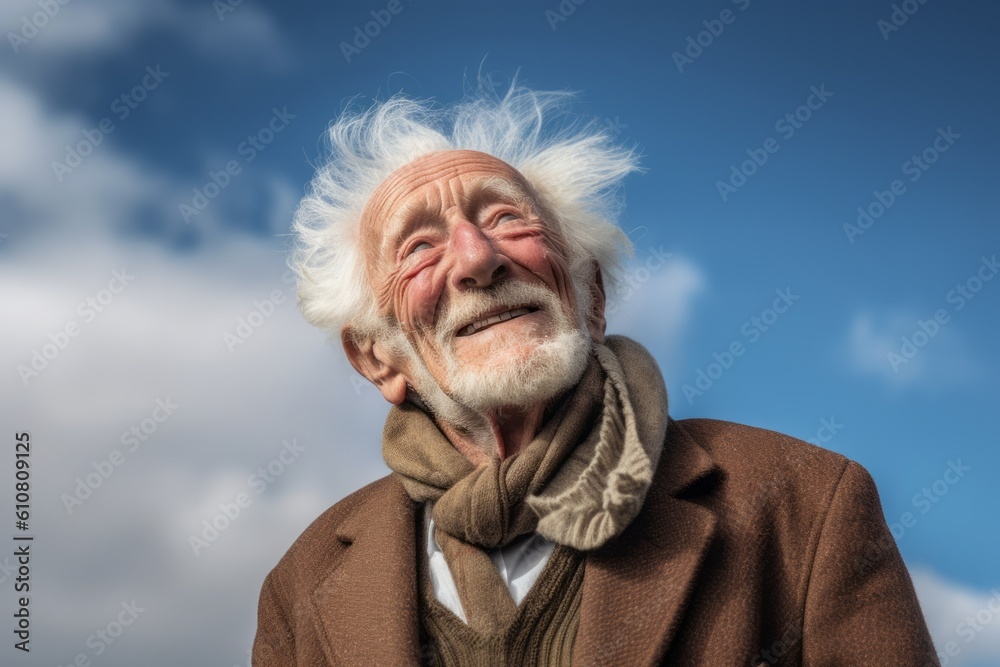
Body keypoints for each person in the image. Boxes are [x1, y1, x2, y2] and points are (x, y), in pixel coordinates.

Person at [252, 85, 937, 666]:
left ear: (592, 297)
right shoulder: (305, 580)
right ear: (377, 357)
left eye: (506, 217)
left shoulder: (802, 502)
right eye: (419, 245)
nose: (476, 257)